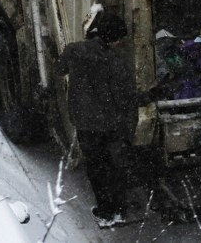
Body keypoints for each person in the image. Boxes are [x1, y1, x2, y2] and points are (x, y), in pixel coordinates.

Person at [61, 12, 142, 228]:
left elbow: (60, 68)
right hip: (109, 125)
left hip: (85, 123)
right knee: (114, 168)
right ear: (113, 39)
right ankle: (118, 211)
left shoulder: (74, 51)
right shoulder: (115, 64)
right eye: (119, 39)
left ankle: (105, 212)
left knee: (96, 169)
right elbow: (128, 98)